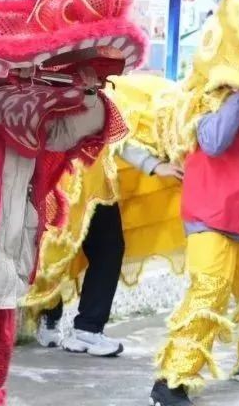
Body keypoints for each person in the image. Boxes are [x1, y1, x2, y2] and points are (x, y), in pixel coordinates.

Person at [150, 91, 239, 406]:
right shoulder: (205, 98)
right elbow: (213, 141)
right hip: (212, 217)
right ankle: (171, 381)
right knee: (209, 294)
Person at [36, 143, 182, 357]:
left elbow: (115, 131)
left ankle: (87, 328)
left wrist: (151, 163)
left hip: (96, 179)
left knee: (108, 246)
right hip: (55, 174)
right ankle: (49, 311)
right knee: (54, 250)